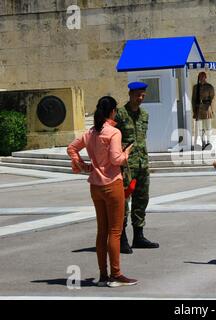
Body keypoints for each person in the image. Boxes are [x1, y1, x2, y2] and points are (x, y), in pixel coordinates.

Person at [67, 96, 137, 287]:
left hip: (95, 186)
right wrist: (126, 153)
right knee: (115, 231)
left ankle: (103, 275)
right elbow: (116, 159)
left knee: (102, 231)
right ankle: (116, 274)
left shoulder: (90, 133)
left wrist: (83, 166)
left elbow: (71, 148)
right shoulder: (113, 132)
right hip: (112, 183)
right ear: (113, 111)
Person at [115, 81, 159, 254]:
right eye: (137, 95)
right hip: (126, 167)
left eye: (143, 95)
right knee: (123, 202)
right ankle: (122, 238)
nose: (140, 98)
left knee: (142, 199)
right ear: (130, 94)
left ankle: (138, 236)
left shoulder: (144, 115)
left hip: (142, 164)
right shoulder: (120, 115)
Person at [192, 71, 215, 151]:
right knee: (200, 128)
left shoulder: (209, 87)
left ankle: (209, 141)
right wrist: (194, 110)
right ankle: (203, 142)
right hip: (198, 108)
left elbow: (212, 99)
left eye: (203, 77)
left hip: (206, 109)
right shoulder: (195, 87)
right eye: (200, 77)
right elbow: (193, 99)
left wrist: (212, 110)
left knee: (208, 127)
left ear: (205, 77)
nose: (201, 78)